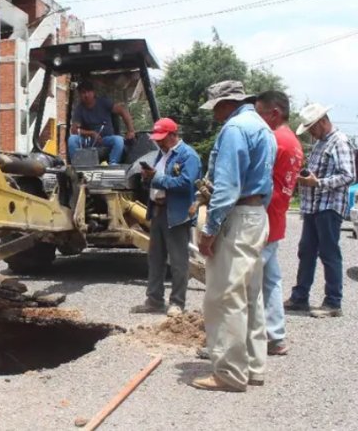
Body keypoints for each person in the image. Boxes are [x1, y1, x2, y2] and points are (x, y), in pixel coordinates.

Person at [191, 80, 276, 392]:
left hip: (237, 217)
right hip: (256, 215)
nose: (215, 115)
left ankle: (229, 373)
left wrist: (209, 231)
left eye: (215, 108)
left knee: (225, 297)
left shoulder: (234, 129)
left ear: (225, 103)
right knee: (250, 295)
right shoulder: (263, 127)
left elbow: (226, 187)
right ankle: (253, 366)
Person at [285, 103, 355, 318]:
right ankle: (300, 297)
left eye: (312, 128)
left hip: (328, 207)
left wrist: (318, 183)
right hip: (314, 207)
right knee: (306, 250)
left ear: (322, 122)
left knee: (329, 253)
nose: (311, 133)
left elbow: (348, 175)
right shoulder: (321, 144)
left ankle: (333, 302)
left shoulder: (339, 142)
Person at [130, 118, 202, 317]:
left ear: (173, 135)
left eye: (162, 138)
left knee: (178, 262)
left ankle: (177, 303)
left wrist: (156, 178)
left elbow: (187, 183)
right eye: (157, 139)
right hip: (159, 212)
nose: (159, 142)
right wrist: (147, 179)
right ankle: (154, 300)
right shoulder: (161, 156)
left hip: (177, 215)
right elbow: (156, 182)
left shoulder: (189, 156)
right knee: (155, 259)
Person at [254, 91, 304, 355]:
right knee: (271, 280)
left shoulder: (274, 140)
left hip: (262, 218)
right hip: (277, 216)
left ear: (274, 113)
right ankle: (276, 336)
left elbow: (257, 178)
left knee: (243, 280)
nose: (257, 119)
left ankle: (234, 340)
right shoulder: (294, 142)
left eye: (259, 113)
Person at [68, 80, 136, 165]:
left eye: (88, 92)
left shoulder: (104, 103)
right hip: (89, 141)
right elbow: (74, 130)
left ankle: (113, 163)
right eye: (83, 92)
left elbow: (122, 111)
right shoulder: (79, 109)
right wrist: (91, 133)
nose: (86, 95)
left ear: (93, 92)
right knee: (72, 139)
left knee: (118, 140)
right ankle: (76, 165)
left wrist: (131, 130)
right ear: (80, 95)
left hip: (105, 139)